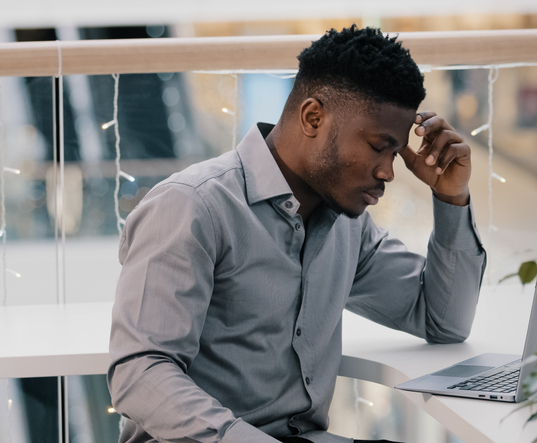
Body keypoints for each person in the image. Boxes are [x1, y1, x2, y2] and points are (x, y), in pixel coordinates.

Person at [108, 25, 486, 443]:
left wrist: (452, 198)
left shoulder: (348, 224)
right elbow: (139, 373)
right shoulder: (191, 206)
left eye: (395, 153)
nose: (388, 172)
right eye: (379, 146)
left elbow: (444, 320)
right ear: (313, 117)